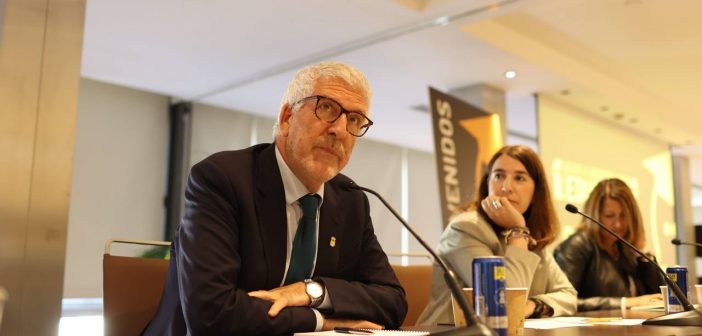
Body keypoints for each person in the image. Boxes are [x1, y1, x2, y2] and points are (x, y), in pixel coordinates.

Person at [143, 61, 407, 335]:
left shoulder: (351, 199)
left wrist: (312, 291)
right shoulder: (221, 180)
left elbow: (393, 301)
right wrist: (323, 322)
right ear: (286, 118)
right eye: (326, 108)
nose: (339, 130)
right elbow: (212, 314)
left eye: (354, 120)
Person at [417, 145, 577, 326]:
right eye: (498, 176)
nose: (506, 187)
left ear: (535, 193)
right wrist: (518, 230)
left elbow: (568, 295)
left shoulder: (531, 236)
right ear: (487, 185)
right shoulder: (465, 228)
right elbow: (506, 301)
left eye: (519, 178)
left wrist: (535, 305)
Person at [554, 178, 664, 311]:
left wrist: (644, 256)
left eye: (624, 216)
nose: (618, 224)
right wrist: (625, 303)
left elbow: (657, 297)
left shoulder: (624, 247)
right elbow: (561, 302)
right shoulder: (577, 245)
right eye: (609, 216)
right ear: (595, 215)